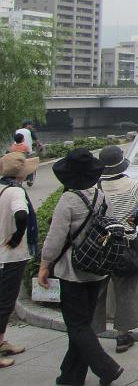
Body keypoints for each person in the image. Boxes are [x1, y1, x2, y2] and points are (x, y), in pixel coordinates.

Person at [38, 148, 124, 386]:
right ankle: (70, 376)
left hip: (73, 270)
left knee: (76, 325)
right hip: (97, 268)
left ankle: (107, 368)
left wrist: (44, 266)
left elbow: (55, 239)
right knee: (82, 325)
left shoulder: (68, 200)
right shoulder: (100, 195)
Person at [92, 145, 138, 353]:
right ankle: (123, 335)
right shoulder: (133, 185)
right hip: (126, 244)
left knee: (97, 289)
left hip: (101, 244)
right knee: (125, 290)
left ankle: (92, 331)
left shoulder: (96, 187)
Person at [0, 152, 39, 369]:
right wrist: (16, 238)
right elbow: (21, 215)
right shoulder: (15, 191)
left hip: (2, 256)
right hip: (10, 257)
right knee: (5, 303)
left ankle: (2, 341)